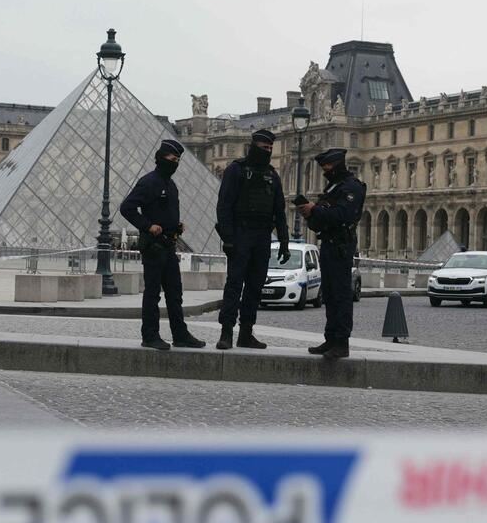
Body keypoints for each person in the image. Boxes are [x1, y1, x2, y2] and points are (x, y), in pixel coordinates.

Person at [120, 139, 206, 350]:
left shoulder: (171, 185)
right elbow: (127, 207)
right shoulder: (148, 182)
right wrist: (148, 226)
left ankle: (180, 334)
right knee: (152, 293)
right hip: (153, 246)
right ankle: (150, 335)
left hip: (169, 245)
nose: (175, 163)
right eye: (172, 158)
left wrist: (176, 226)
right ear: (160, 158)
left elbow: (165, 212)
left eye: (177, 160)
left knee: (175, 293)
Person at [215, 129, 288, 349]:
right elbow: (224, 206)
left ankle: (246, 332)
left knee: (255, 287)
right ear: (253, 146)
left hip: (262, 237)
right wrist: (228, 238)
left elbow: (280, 211)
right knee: (234, 285)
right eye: (264, 147)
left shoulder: (272, 175)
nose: (267, 151)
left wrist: (284, 241)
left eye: (270, 149)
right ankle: (226, 332)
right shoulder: (236, 170)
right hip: (241, 234)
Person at [298, 148, 366, 359]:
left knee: (341, 294)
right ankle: (330, 338)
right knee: (328, 293)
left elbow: (343, 214)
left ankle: (342, 341)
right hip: (328, 243)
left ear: (337, 164)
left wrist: (316, 210)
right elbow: (323, 220)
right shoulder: (334, 187)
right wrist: (310, 214)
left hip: (341, 245)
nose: (325, 170)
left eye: (327, 166)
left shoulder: (351, 187)